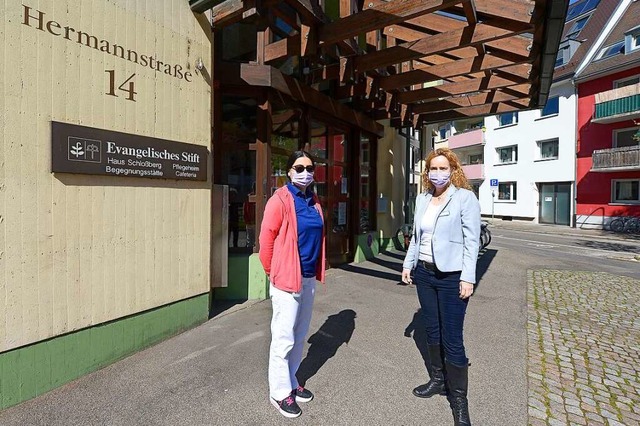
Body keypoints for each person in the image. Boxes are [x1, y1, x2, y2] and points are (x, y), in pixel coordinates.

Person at [401, 147, 480, 426]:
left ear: (453, 169)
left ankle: (459, 401)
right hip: (424, 274)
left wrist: (468, 277)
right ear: (427, 173)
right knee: (431, 331)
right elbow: (416, 236)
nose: (437, 173)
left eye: (443, 168)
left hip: (451, 277)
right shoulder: (423, 199)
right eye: (433, 169)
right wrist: (408, 264)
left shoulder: (465, 198)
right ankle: (437, 380)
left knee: (452, 338)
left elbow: (473, 241)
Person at [259, 150, 326, 418]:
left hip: (308, 277)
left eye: (309, 168)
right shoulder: (280, 200)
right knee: (283, 338)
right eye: (299, 168)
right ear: (289, 171)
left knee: (299, 335)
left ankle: (291, 381)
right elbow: (266, 242)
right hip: (286, 279)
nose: (305, 172)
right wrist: (273, 272)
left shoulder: (313, 199)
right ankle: (278, 392)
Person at [243, 182, 257, 247]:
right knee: (250, 240)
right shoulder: (250, 197)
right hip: (251, 222)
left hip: (256, 221)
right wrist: (247, 220)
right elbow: (246, 209)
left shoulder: (261, 197)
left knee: (253, 240)